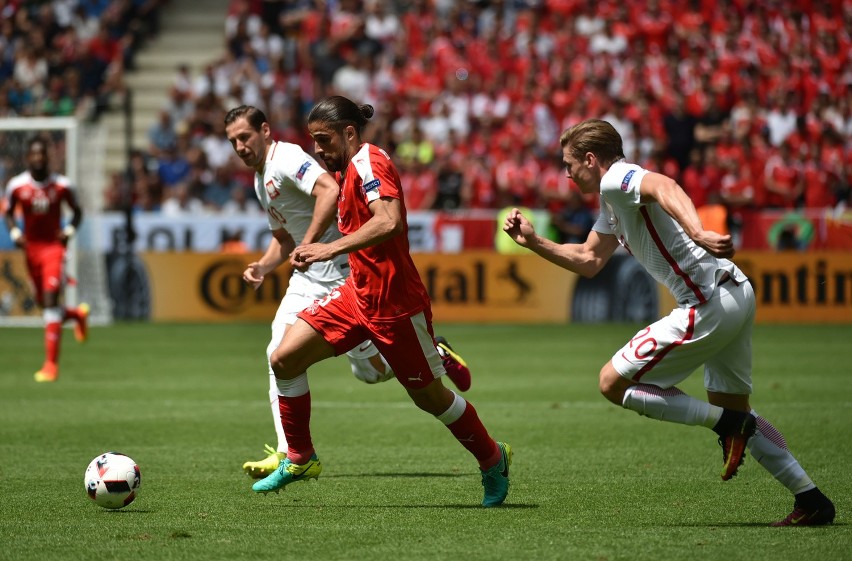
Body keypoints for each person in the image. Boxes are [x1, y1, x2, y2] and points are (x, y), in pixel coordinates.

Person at [502, 119, 834, 526]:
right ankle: (812, 499)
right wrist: (534, 242)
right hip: (734, 292)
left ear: (591, 159)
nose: (566, 174)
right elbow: (589, 261)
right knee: (733, 407)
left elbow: (665, 186)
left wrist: (697, 231)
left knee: (612, 382)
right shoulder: (612, 202)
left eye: (569, 164)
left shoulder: (616, 179)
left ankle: (730, 424)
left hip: (706, 302)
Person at [242, 96, 510, 507]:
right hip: (356, 296)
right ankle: (298, 456)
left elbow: (389, 221)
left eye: (324, 139)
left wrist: (328, 250)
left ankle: (493, 458)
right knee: (283, 358)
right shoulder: (346, 169)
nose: (317, 149)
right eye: (313, 140)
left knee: (431, 398)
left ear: (349, 133)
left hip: (395, 306)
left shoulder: (370, 161)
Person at [4, 136, 89, 382]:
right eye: (34, 154)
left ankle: (51, 365)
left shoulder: (62, 186)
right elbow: (7, 211)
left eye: (42, 154)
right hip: (31, 251)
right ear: (28, 157)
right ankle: (75, 315)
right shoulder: (17, 186)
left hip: (54, 249)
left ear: (48, 157)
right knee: (45, 306)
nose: (38, 158)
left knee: (50, 302)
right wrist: (15, 232)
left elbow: (78, 212)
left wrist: (69, 232)